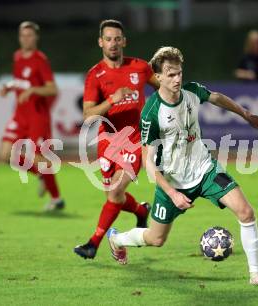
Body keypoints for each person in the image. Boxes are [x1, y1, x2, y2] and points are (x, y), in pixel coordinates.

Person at [106, 46, 258, 286]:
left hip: (205, 170)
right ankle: (117, 239)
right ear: (158, 77)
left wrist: (247, 115)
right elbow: (148, 162)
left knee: (246, 212)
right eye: (170, 74)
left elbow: (216, 97)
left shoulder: (192, 92)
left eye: (179, 73)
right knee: (156, 239)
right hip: (172, 181)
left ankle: (255, 275)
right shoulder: (151, 113)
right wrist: (173, 193)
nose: (177, 79)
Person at [73, 19, 159, 260]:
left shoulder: (140, 67)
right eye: (108, 39)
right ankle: (141, 211)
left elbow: (163, 89)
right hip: (108, 142)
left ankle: (93, 244)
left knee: (115, 192)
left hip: (134, 141)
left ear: (124, 41)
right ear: (101, 42)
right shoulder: (95, 75)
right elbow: (88, 115)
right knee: (114, 196)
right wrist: (112, 100)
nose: (113, 43)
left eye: (117, 39)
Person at [0, 21, 64, 211]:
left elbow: (53, 89)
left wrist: (35, 90)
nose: (26, 39)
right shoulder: (17, 57)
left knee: (37, 157)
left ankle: (56, 198)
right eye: (23, 35)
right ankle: (42, 176)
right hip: (20, 115)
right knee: (5, 154)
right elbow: (21, 81)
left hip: (37, 116)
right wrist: (9, 87)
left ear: (36, 38)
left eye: (29, 35)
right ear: (19, 37)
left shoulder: (40, 60)